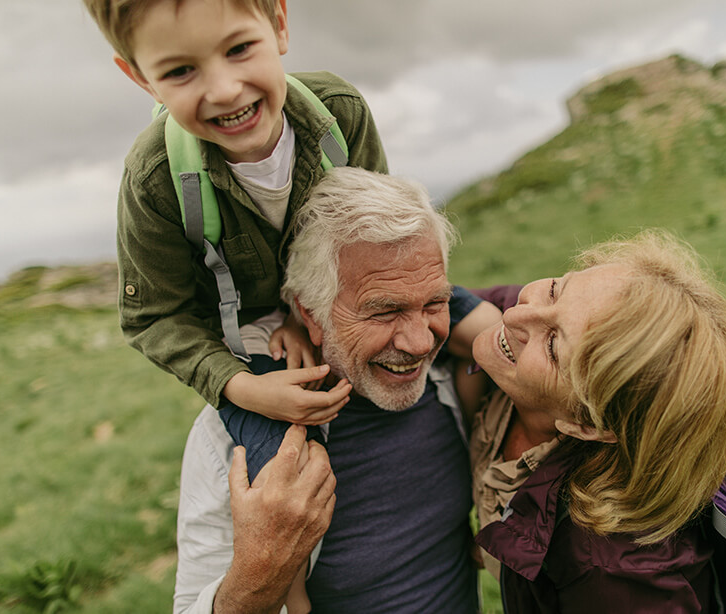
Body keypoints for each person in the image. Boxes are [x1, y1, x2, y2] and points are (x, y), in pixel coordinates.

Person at [83, 2, 495, 609]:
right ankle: (293, 594)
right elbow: (153, 317)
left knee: (473, 322)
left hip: (340, 297)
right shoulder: (156, 180)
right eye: (179, 72)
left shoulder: (339, 115)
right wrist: (244, 386)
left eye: (238, 49)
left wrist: (334, 316)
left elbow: (380, 244)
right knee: (280, 454)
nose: (224, 90)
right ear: (139, 76)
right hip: (251, 341)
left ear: (279, 23)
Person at [174, 167, 479, 613]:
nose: (420, 342)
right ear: (309, 315)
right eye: (383, 312)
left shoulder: (460, 379)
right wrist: (264, 565)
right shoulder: (229, 441)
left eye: (435, 303)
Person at [466, 230, 726, 612]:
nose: (515, 313)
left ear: (587, 426)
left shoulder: (609, 571)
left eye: (551, 345)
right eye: (555, 289)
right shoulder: (543, 334)